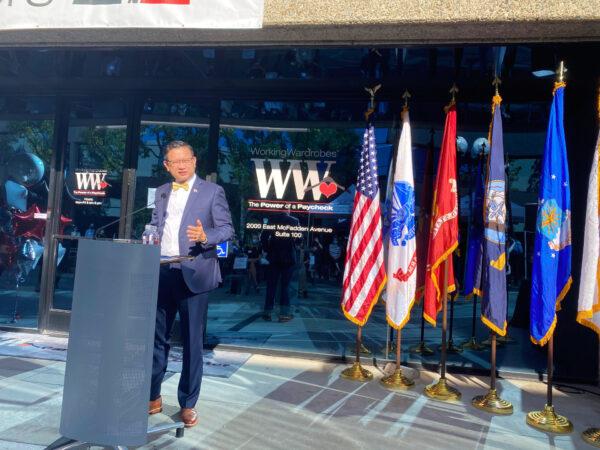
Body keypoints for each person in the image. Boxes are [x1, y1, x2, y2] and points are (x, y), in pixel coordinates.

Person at [148, 140, 234, 428]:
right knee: (157, 339)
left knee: (191, 343)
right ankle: (152, 396)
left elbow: (227, 230)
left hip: (193, 273)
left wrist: (205, 236)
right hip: (162, 271)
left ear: (195, 161)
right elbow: (157, 225)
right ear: (167, 165)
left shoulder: (212, 191)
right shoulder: (161, 192)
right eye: (175, 161)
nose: (182, 165)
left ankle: (188, 403)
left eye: (186, 159)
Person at [260, 208, 299, 322]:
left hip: (274, 257)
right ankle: (284, 314)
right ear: (288, 210)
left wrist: (268, 250)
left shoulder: (272, 220)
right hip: (288, 257)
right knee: (285, 287)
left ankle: (267, 313)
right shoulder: (294, 221)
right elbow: (298, 239)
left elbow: (263, 238)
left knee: (271, 286)